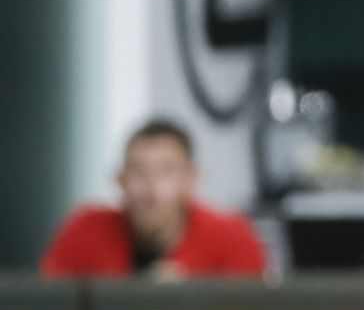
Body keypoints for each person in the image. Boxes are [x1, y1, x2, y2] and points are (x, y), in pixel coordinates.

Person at [41, 119, 268, 280]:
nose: (151, 188)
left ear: (191, 180)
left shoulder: (232, 237)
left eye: (166, 171)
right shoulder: (86, 230)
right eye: (139, 171)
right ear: (120, 180)